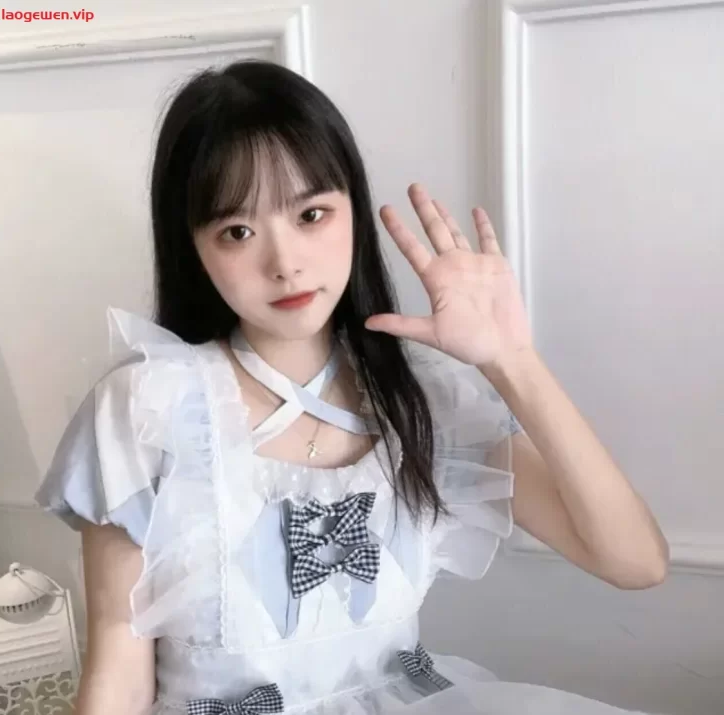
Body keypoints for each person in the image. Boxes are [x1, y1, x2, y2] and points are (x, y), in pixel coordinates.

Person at [35, 59, 669, 715]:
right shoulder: (147, 411)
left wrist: (513, 361)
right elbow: (118, 682)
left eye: (311, 214)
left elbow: (635, 562)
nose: (285, 263)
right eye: (237, 231)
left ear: (354, 212)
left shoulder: (425, 400)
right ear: (193, 247)